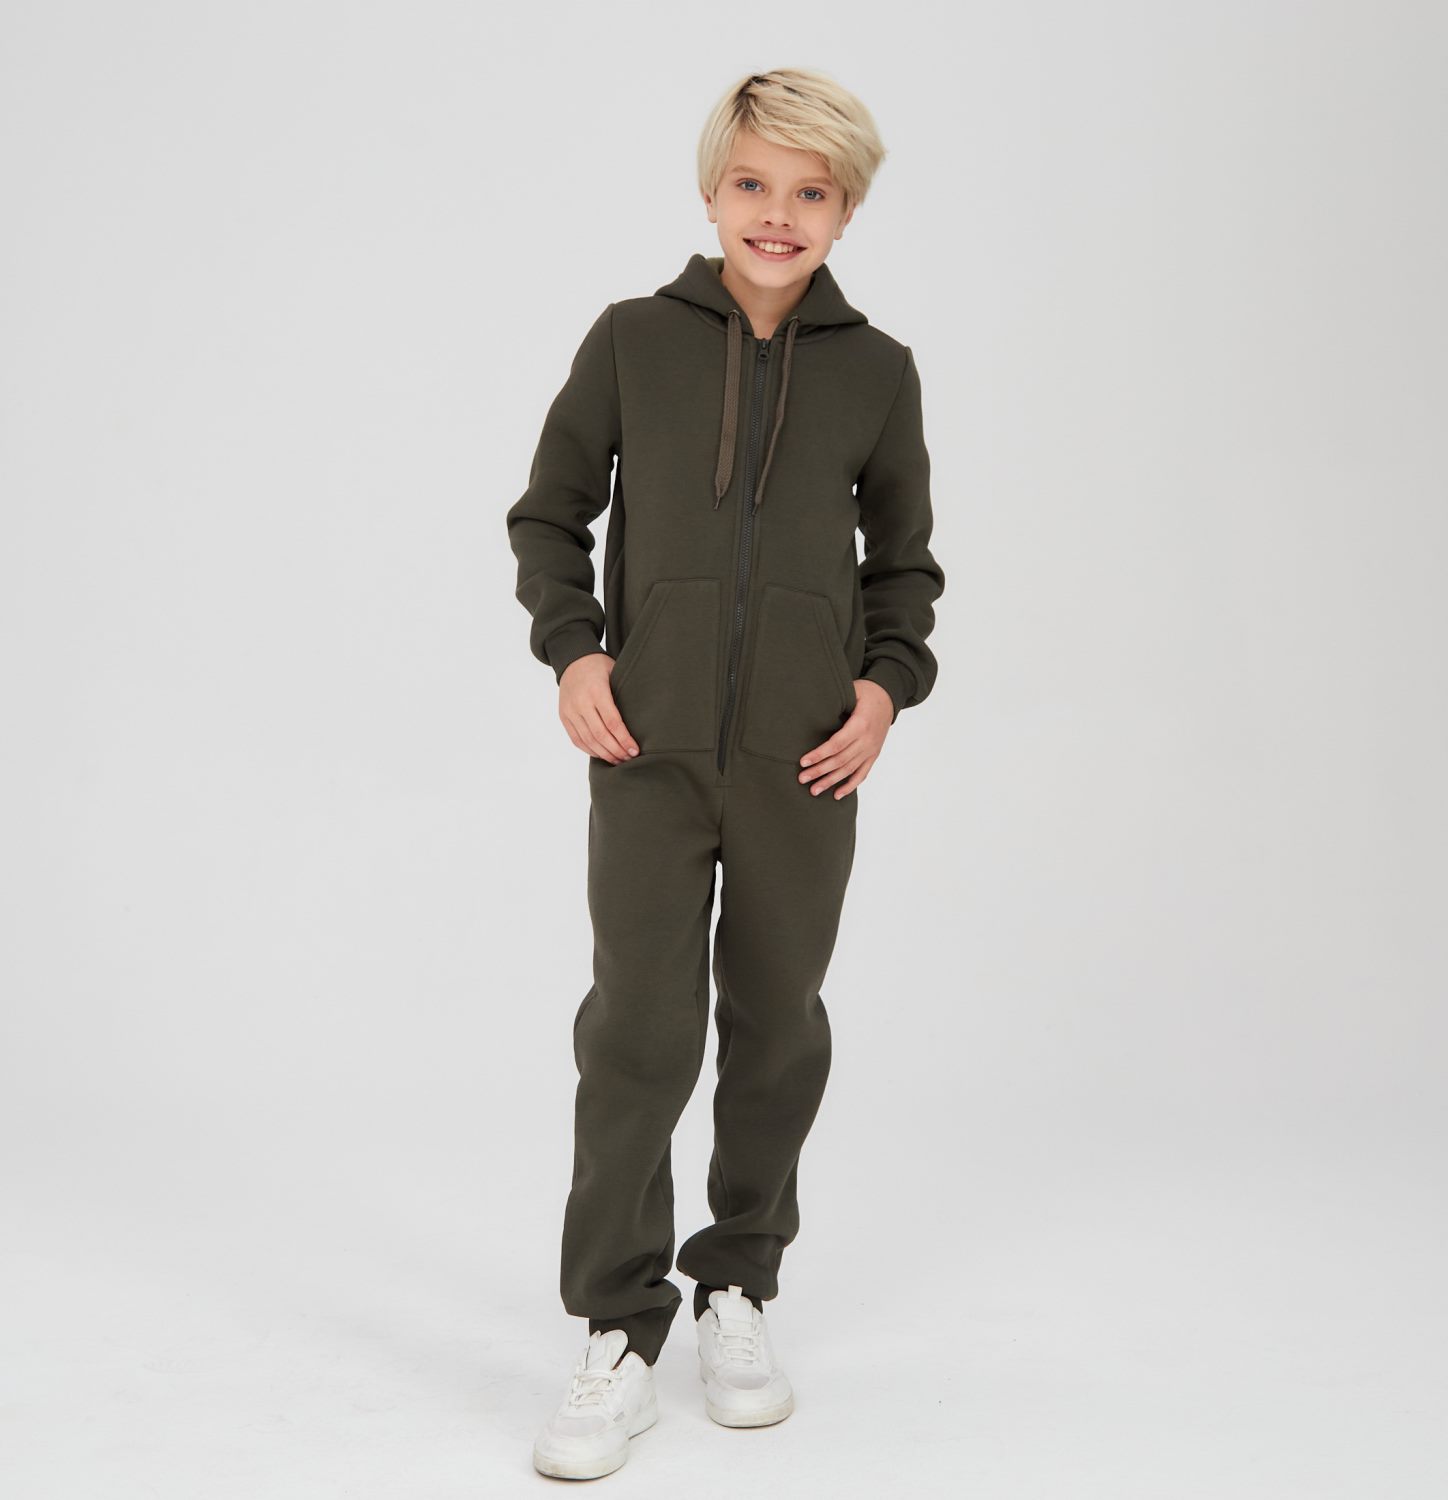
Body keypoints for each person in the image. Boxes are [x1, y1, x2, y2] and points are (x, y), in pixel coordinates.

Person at [508, 66, 945, 1481]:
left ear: (846, 210)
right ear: (712, 191)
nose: (778, 213)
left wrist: (883, 690)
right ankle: (618, 1330)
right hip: (645, 750)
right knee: (637, 1032)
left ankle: (738, 1283)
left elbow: (905, 569)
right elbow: (549, 516)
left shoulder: (878, 371)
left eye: (811, 191)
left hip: (803, 765)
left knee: (777, 1026)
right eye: (754, 182)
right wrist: (576, 653)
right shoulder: (633, 341)